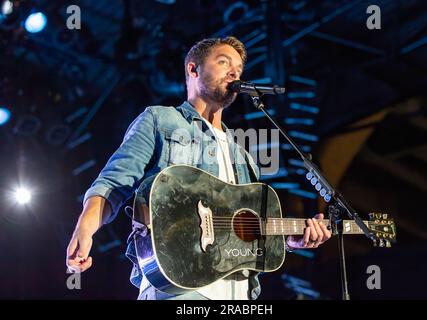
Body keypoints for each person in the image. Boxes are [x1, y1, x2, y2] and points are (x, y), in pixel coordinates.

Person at [66, 36, 331, 300]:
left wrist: (289, 241)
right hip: (178, 287)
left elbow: (245, 232)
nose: (233, 72)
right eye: (223, 62)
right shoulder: (160, 120)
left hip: (239, 294)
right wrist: (85, 229)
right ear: (193, 69)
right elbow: (113, 183)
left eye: (238, 70)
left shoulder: (245, 158)